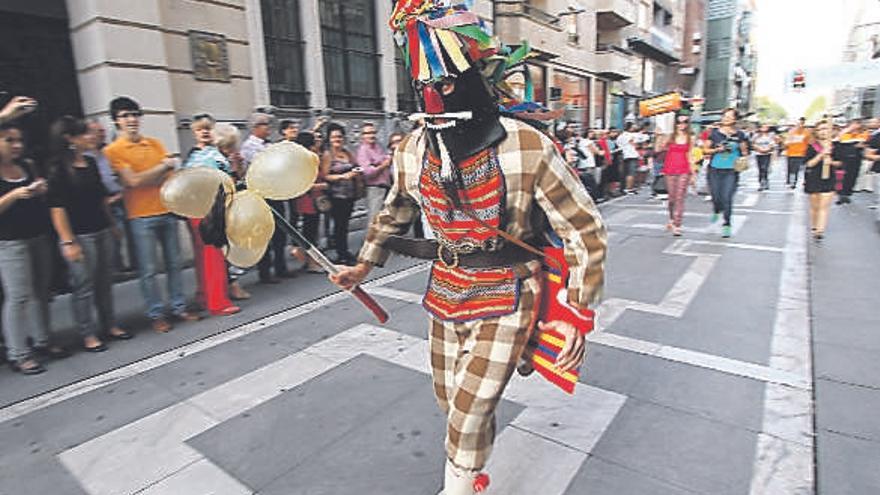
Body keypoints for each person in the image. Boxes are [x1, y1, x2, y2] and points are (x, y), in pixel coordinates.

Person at [333, 3, 606, 492]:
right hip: (445, 291)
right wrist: (362, 265)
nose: (434, 98)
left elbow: (583, 228)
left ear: (472, 77)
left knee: (469, 408)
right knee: (453, 402)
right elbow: (395, 209)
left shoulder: (526, 146)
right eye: (425, 87)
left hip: (509, 292)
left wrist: (578, 314)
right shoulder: (412, 149)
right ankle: (475, 475)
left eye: (445, 84)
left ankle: (457, 485)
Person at [104, 96, 200, 333]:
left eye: (135, 114)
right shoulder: (113, 151)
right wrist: (163, 167)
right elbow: (133, 181)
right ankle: (155, 313)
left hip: (166, 209)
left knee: (175, 264)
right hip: (140, 215)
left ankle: (178, 307)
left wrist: (154, 174)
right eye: (125, 115)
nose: (132, 120)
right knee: (148, 269)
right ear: (116, 121)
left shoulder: (154, 143)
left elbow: (165, 177)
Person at [47, 116, 133, 353]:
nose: (90, 136)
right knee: (83, 285)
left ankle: (110, 324)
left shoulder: (91, 162)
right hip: (79, 235)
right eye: (84, 133)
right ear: (70, 139)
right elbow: (57, 208)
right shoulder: (58, 169)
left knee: (105, 281)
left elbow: (101, 198)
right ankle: (88, 333)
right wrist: (68, 241)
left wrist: (112, 224)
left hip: (101, 229)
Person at [0, 121, 69, 374]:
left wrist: (40, 189)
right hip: (9, 242)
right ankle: (18, 353)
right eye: (9, 140)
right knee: (18, 296)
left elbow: (43, 195)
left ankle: (43, 340)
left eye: (19, 140)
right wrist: (15, 195)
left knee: (42, 291)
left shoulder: (26, 166)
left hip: (38, 235)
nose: (17, 145)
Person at [183, 121, 243, 316]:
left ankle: (204, 296)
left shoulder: (195, 155)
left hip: (193, 209)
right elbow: (226, 185)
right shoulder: (216, 158)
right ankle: (218, 301)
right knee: (214, 256)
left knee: (202, 255)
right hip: (210, 210)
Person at [242, 111, 292, 282]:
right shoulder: (249, 146)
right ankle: (265, 271)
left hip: (275, 192)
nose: (269, 128)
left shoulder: (269, 144)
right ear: (255, 127)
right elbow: (266, 165)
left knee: (280, 232)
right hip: (262, 195)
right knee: (265, 233)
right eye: (265, 125)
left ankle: (281, 267)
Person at [85, 119, 134, 273]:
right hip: (105, 202)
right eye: (98, 131)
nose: (102, 134)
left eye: (103, 131)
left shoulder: (107, 152)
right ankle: (114, 270)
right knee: (114, 237)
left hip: (122, 198)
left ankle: (129, 265)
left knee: (129, 235)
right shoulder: (86, 157)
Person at [703, 108, 749, 238]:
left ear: (735, 119)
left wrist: (743, 157)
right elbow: (705, 150)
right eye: (724, 116)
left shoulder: (740, 135)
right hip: (715, 169)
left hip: (731, 170)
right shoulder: (714, 134)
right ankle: (717, 210)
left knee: (727, 197)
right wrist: (718, 149)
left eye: (729, 117)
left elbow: (744, 152)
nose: (726, 119)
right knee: (716, 196)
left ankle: (727, 224)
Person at [320, 122, 361, 265]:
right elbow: (325, 175)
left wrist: (357, 171)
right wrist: (343, 177)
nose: (337, 139)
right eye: (334, 137)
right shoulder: (328, 155)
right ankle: (341, 253)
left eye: (340, 136)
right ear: (329, 139)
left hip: (350, 194)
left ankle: (344, 251)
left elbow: (357, 166)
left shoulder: (347, 152)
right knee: (339, 225)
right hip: (335, 195)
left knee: (344, 225)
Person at [289, 131, 329, 273]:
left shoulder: (299, 159)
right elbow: (304, 183)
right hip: (309, 199)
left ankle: (303, 255)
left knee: (308, 230)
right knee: (310, 232)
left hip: (305, 199)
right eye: (315, 141)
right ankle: (311, 262)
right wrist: (321, 186)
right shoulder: (308, 159)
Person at [804, 120, 840, 240]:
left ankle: (820, 230)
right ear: (816, 132)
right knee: (815, 206)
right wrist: (821, 155)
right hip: (814, 177)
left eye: (825, 128)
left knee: (824, 206)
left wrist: (832, 161)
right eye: (820, 129)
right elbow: (809, 164)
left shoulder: (835, 146)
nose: (823, 132)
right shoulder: (812, 146)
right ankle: (814, 226)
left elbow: (841, 163)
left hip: (829, 177)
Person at [662, 114, 694, 236]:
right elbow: (659, 148)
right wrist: (662, 135)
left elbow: (690, 155)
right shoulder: (670, 136)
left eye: (685, 122)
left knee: (680, 197)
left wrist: (693, 173)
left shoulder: (690, 137)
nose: (682, 125)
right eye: (679, 122)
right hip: (670, 169)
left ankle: (677, 224)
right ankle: (671, 219)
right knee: (672, 198)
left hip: (684, 169)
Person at [356, 122, 393, 226]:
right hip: (375, 188)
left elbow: (386, 158)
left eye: (373, 132)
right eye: (367, 133)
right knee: (375, 220)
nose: (371, 135)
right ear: (362, 136)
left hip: (385, 187)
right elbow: (367, 172)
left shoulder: (377, 147)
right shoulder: (363, 150)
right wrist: (383, 165)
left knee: (385, 219)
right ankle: (372, 241)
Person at [836, 119, 869, 204]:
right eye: (854, 124)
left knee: (853, 175)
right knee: (843, 176)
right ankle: (841, 194)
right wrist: (848, 130)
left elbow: (865, 143)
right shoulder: (844, 133)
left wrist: (861, 145)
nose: (855, 126)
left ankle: (847, 193)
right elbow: (840, 140)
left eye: (858, 124)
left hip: (856, 158)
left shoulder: (863, 134)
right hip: (845, 158)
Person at [616, 122, 647, 194]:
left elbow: (618, 143)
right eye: (633, 126)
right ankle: (629, 188)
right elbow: (636, 143)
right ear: (630, 127)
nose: (635, 127)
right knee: (631, 173)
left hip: (623, 155)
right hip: (631, 155)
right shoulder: (631, 135)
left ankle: (623, 188)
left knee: (624, 173)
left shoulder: (621, 136)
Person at [784, 117, 810, 189]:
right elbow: (786, 143)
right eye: (799, 123)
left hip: (801, 153)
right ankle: (790, 181)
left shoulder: (806, 132)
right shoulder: (791, 132)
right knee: (791, 168)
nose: (800, 125)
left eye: (802, 123)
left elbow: (808, 143)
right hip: (791, 153)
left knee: (797, 169)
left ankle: (794, 182)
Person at [753, 124, 776, 191]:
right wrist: (759, 149)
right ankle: (761, 182)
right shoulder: (756, 136)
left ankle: (765, 181)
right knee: (760, 169)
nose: (764, 128)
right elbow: (753, 144)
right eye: (762, 127)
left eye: (766, 127)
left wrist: (767, 150)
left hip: (767, 154)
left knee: (765, 168)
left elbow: (772, 145)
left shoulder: (770, 136)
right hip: (758, 154)